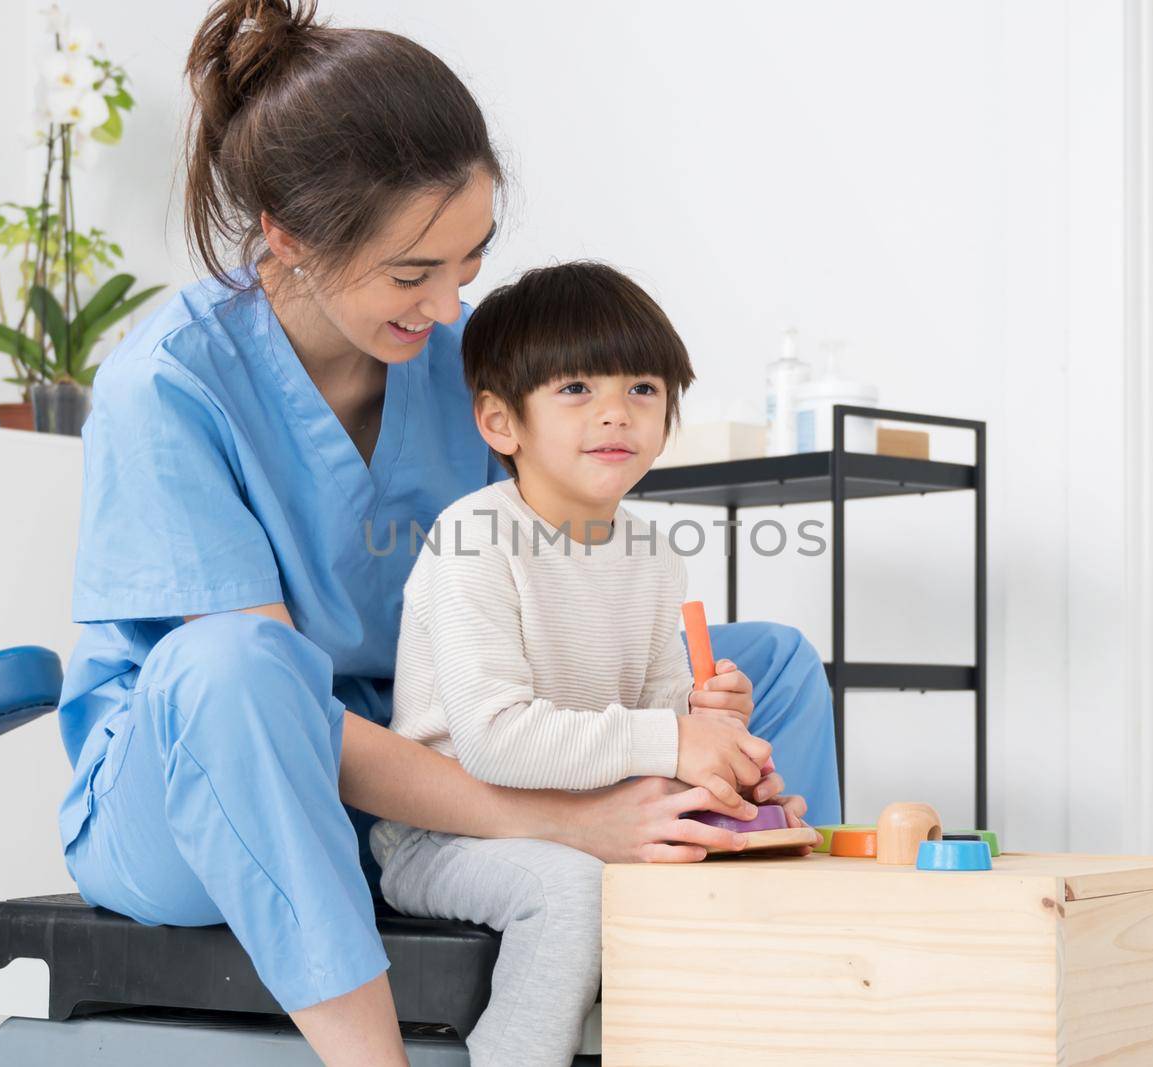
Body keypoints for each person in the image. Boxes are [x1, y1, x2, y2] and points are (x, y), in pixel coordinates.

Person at [57, 2, 839, 1064]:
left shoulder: (460, 363)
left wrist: (690, 730)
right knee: (239, 666)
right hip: (210, 783)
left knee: (771, 665)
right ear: (286, 236)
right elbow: (268, 708)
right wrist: (570, 818)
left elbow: (547, 589)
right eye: (410, 272)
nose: (447, 302)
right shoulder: (170, 385)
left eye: (467, 261)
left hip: (436, 742)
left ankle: (782, 999)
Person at [373, 261, 804, 1065]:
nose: (616, 412)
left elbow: (654, 706)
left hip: (585, 814)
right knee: (567, 892)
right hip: (445, 835)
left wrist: (712, 733)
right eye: (577, 388)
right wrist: (671, 741)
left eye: (642, 388)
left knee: (733, 852)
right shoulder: (474, 539)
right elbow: (496, 740)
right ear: (502, 422)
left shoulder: (651, 551)